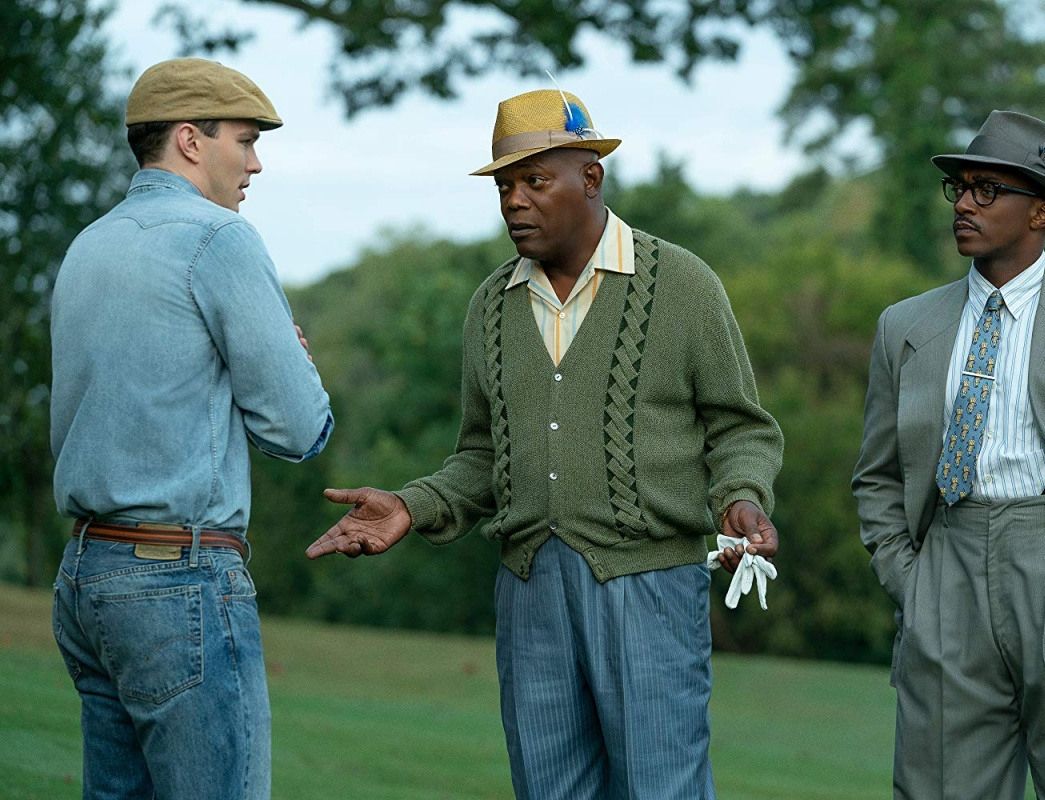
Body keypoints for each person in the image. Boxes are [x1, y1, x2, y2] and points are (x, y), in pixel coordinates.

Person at [306, 88, 783, 799]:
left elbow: (740, 425)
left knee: (661, 786)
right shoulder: (491, 305)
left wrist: (740, 496)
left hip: (648, 584)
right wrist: (412, 506)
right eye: (504, 186)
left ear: (590, 177)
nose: (514, 202)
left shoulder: (682, 285)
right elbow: (481, 456)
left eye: (534, 180)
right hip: (529, 590)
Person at [49, 58, 333, 800]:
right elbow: (298, 428)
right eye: (245, 140)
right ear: (189, 139)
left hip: (85, 575)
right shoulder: (219, 239)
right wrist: (287, 362)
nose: (256, 163)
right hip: (178, 577)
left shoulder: (89, 245)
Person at [853, 109, 1045, 799]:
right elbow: (876, 475)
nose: (964, 204)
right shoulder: (905, 325)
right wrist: (912, 581)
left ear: (1040, 212)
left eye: (987, 190)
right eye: (960, 188)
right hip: (945, 567)